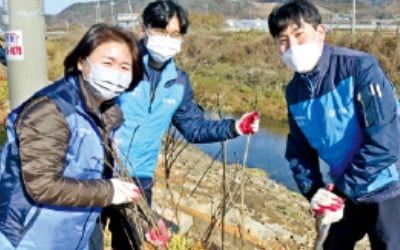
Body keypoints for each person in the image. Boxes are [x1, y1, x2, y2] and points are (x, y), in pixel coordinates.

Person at [101, 0, 260, 249]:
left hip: (139, 179)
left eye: (175, 34)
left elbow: (194, 128)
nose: (167, 39)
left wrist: (235, 127)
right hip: (99, 172)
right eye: (161, 31)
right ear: (144, 28)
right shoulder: (120, 65)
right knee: (84, 240)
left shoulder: (178, 82)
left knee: (130, 244)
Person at [268, 1, 400, 249]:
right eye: (283, 40)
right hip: (345, 189)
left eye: (299, 35)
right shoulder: (294, 92)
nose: (292, 47)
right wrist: (314, 191)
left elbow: (386, 144)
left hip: (389, 188)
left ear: (320, 32)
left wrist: (339, 192)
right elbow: (299, 151)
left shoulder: (359, 68)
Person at [0, 23, 143, 250]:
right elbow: (42, 185)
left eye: (125, 67)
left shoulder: (107, 113)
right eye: (107, 63)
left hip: (70, 235)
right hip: (29, 237)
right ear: (81, 63)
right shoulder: (51, 110)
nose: (115, 73)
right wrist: (109, 191)